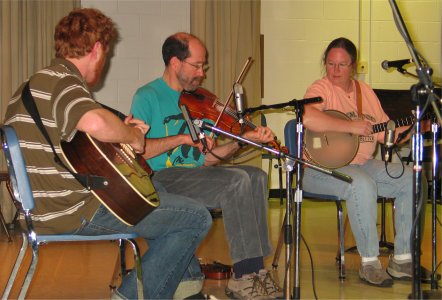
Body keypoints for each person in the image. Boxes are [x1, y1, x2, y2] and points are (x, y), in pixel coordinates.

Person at [3, 9, 212, 299]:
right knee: (195, 218)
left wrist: (119, 131)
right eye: (107, 54)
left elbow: (76, 140)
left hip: (41, 208)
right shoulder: (64, 80)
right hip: (73, 210)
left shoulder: (36, 84)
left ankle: (185, 288)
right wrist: (134, 137)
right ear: (98, 49)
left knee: (154, 188)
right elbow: (95, 122)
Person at [131, 32, 282, 298]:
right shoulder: (147, 96)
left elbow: (208, 158)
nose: (202, 73)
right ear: (176, 63)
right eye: (197, 66)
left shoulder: (199, 101)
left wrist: (243, 139)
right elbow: (138, 149)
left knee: (256, 176)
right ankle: (243, 276)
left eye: (204, 66)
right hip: (161, 178)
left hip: (194, 175)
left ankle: (256, 271)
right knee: (236, 181)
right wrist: (180, 138)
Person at [302, 37, 432, 287]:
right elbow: (308, 117)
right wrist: (349, 125)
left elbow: (385, 133)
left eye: (342, 65)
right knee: (360, 184)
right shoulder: (321, 89)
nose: (335, 70)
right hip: (321, 168)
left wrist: (412, 127)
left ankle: (402, 259)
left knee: (411, 178)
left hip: (362, 163)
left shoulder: (366, 92)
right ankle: (369, 262)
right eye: (330, 64)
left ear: (353, 67)